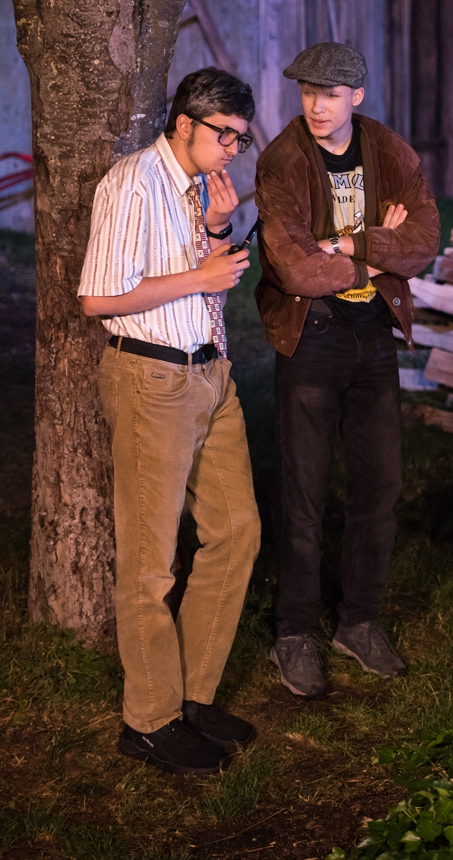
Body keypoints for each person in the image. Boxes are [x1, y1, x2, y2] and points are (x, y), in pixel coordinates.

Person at [78, 68, 261, 776]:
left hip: (210, 373)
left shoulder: (196, 191)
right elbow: (98, 298)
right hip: (152, 379)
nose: (232, 150)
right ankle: (149, 721)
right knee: (151, 561)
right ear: (185, 123)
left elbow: (199, 281)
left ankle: (191, 697)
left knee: (236, 531)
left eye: (240, 139)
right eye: (225, 135)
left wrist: (215, 232)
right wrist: (200, 276)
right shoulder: (132, 183)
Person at [255, 42, 440, 698]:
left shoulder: (388, 152)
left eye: (330, 94)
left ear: (355, 97)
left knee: (379, 486)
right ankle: (295, 631)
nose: (316, 106)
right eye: (308, 91)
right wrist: (376, 253)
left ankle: (358, 622)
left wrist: (343, 243)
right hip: (312, 336)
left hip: (372, 336)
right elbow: (296, 269)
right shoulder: (282, 160)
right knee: (303, 493)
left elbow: (422, 243)